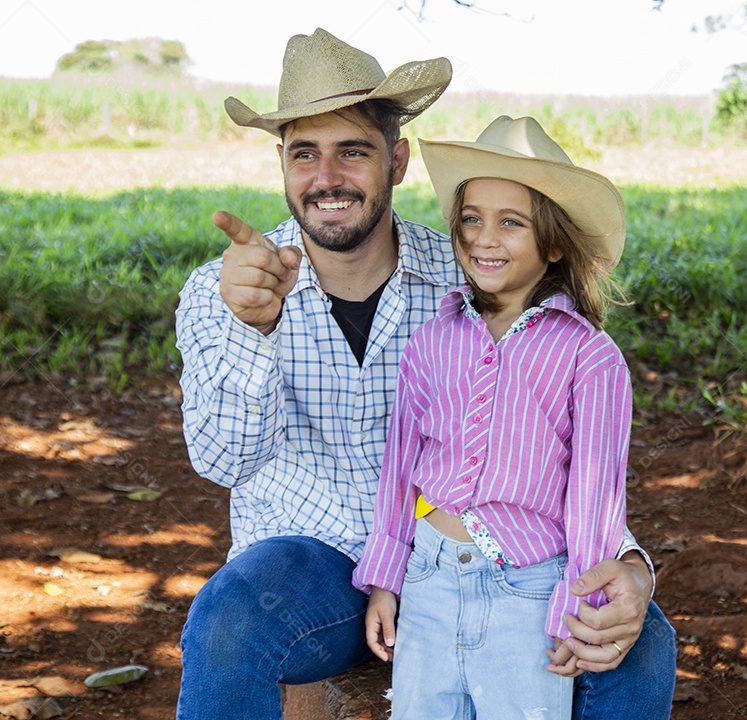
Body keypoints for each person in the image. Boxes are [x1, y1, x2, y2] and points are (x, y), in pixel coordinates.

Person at [175, 28, 675, 720]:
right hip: (311, 570)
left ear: (398, 160)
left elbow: (568, 448)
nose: (327, 177)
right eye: (304, 153)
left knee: (640, 644)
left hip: (482, 554)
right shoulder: (223, 290)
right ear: (281, 165)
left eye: (353, 151)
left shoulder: (471, 273)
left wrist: (633, 564)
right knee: (228, 620)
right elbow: (222, 461)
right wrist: (252, 331)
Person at [354, 114, 657, 718]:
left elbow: (595, 496)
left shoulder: (590, 356)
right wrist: (387, 577)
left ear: (553, 244)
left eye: (511, 222)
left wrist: (578, 607)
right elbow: (401, 469)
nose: (484, 239)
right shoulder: (431, 342)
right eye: (472, 219)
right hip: (428, 577)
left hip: (528, 588)